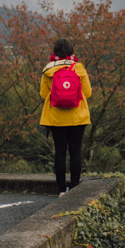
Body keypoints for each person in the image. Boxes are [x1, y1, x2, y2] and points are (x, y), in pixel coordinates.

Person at [39, 38, 92, 196]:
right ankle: (75, 186)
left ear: (54, 51)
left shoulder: (48, 70)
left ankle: (62, 189)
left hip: (56, 118)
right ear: (71, 51)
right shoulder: (79, 68)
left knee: (60, 152)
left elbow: (43, 94)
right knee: (75, 151)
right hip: (78, 117)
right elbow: (88, 93)